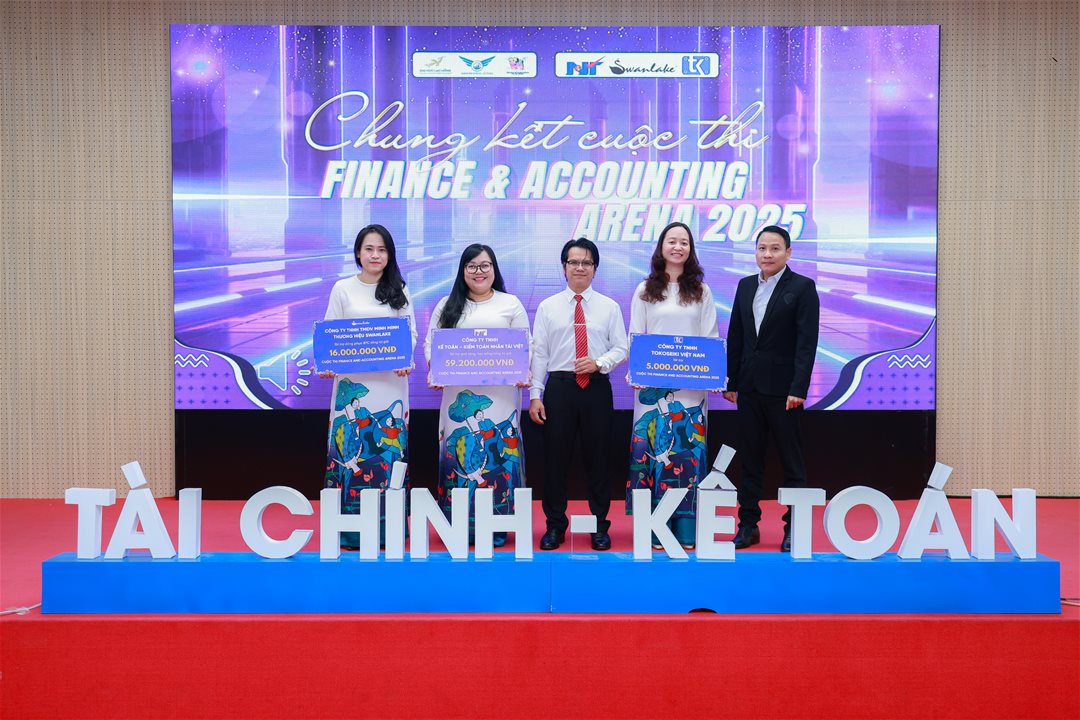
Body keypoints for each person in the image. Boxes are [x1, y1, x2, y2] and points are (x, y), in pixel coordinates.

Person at [425, 244, 530, 547]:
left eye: (485, 265)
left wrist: (524, 370)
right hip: (458, 397)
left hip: (500, 399)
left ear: (494, 269)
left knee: (498, 455)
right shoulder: (447, 305)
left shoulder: (510, 303)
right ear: (463, 271)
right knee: (460, 456)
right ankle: (457, 525)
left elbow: (527, 344)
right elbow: (432, 344)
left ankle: (498, 525)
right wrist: (435, 369)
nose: (479, 271)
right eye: (472, 266)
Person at [723, 225, 819, 552]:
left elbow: (806, 343)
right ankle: (748, 525)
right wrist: (732, 381)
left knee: (792, 462)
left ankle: (794, 527)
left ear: (788, 253)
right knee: (750, 461)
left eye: (775, 248)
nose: (767, 254)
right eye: (762, 248)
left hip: (785, 392)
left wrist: (799, 387)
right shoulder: (745, 285)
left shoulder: (803, 287)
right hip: (749, 389)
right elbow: (736, 335)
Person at [319, 224, 416, 549]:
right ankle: (349, 531)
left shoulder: (399, 289)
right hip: (352, 389)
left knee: (386, 455)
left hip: (390, 387)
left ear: (390, 255)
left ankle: (389, 530)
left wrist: (405, 357)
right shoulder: (342, 289)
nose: (376, 255)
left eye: (382, 250)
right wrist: (327, 361)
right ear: (358, 253)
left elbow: (410, 333)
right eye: (369, 249)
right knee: (350, 454)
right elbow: (330, 332)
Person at [529, 238, 628, 551]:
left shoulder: (609, 307)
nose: (580, 267)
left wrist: (600, 362)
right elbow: (540, 353)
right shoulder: (548, 307)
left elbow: (622, 347)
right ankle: (555, 526)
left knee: (599, 459)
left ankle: (600, 526)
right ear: (564, 267)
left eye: (586, 262)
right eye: (574, 262)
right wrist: (535, 394)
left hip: (596, 388)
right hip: (560, 388)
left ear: (595, 269)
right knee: (555, 460)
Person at [626, 222, 720, 549]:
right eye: (672, 241)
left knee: (687, 452)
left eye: (684, 242)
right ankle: (654, 526)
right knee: (653, 452)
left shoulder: (702, 291)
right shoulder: (644, 290)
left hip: (692, 389)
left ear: (691, 249)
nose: (678, 247)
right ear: (661, 247)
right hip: (652, 389)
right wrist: (636, 371)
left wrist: (714, 374)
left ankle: (686, 526)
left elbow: (710, 337)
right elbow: (636, 335)